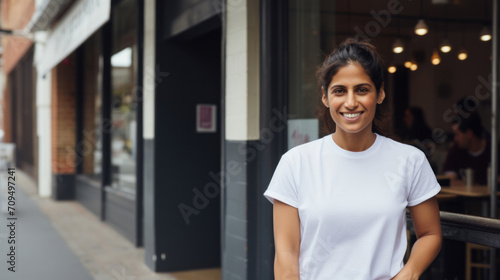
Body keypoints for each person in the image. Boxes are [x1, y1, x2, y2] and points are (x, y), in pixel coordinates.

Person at [264, 39, 442, 280]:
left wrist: (407, 274)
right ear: (325, 98)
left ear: (379, 94)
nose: (350, 102)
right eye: (339, 90)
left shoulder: (410, 160)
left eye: (362, 89)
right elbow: (286, 254)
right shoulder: (295, 163)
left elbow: (430, 234)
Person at [442, 110, 491, 185]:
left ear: (469, 134)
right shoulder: (455, 150)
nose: (455, 139)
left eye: (457, 134)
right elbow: (449, 181)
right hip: (463, 196)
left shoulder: (493, 150)